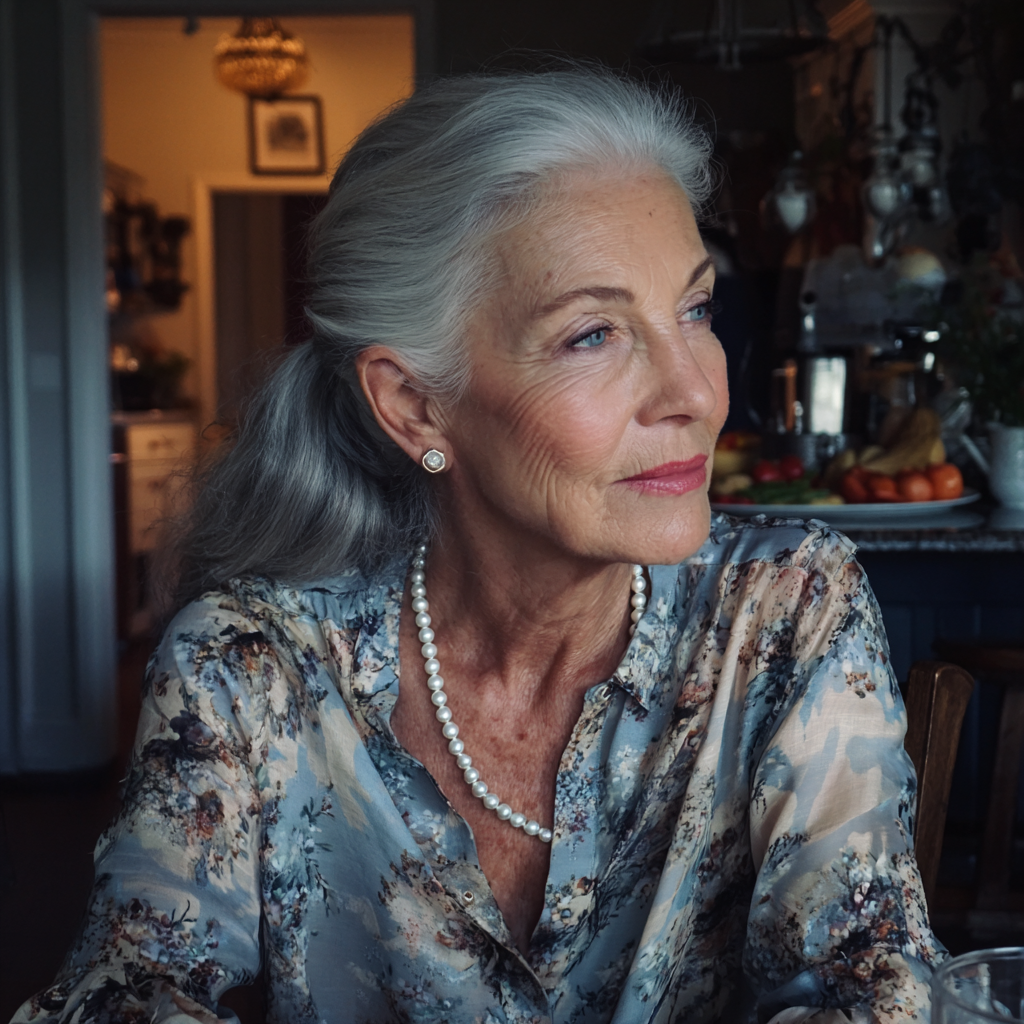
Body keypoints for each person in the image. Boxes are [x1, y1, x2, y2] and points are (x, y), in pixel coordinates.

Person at [13, 68, 941, 1024]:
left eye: (694, 311)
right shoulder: (250, 669)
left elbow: (870, 983)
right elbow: (124, 991)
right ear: (414, 402)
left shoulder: (786, 608)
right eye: (593, 335)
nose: (697, 393)